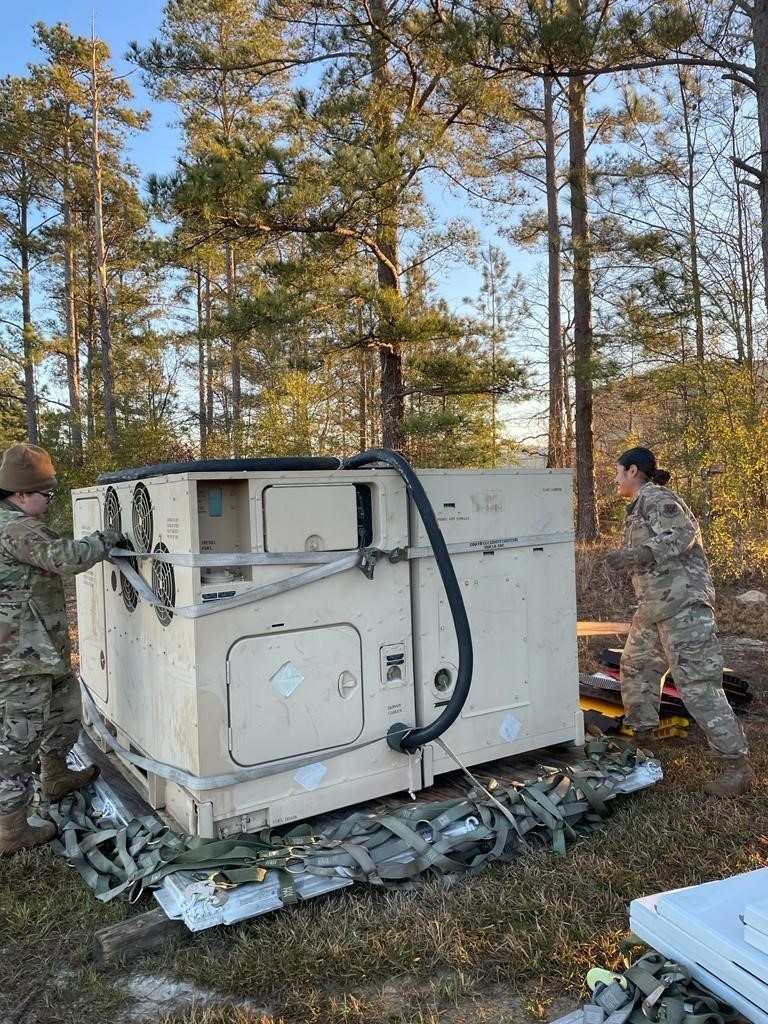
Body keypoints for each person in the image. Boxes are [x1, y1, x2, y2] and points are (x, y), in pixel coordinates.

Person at [606, 446, 754, 798]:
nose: (615, 479)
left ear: (632, 470)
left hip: (684, 606)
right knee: (636, 668)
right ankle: (643, 746)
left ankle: (736, 767)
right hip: (655, 607)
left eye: (617, 472)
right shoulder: (639, 506)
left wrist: (640, 553)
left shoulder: (657, 497)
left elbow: (684, 533)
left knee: (698, 685)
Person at [0, 442, 123, 855]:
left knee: (63, 712)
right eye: (45, 495)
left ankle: (54, 775)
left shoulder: (15, 523)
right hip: (19, 660)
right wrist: (108, 537)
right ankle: (11, 829)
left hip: (40, 651)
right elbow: (66, 557)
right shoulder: (14, 527)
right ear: (20, 493)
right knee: (17, 742)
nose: (49, 502)